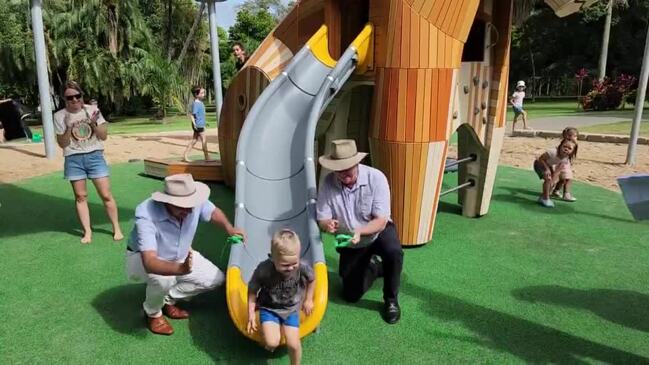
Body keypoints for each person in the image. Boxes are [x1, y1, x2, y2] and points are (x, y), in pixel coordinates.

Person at [126, 173, 246, 335]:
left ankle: (167, 299)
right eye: (182, 206)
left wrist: (229, 228)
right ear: (167, 201)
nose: (189, 210)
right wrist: (180, 269)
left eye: (191, 205)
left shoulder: (193, 201)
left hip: (181, 254)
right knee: (163, 280)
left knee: (216, 279)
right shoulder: (146, 215)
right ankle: (153, 312)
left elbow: (212, 211)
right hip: (143, 259)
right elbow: (149, 261)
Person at [316, 139, 404, 324]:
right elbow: (322, 217)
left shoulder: (376, 177)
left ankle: (391, 300)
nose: (342, 173)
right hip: (350, 239)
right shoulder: (327, 183)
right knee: (350, 294)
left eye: (347, 168)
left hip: (377, 231)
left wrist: (359, 232)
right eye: (338, 169)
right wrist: (327, 225)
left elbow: (380, 221)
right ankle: (374, 267)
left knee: (394, 251)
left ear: (357, 163)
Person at [53, 81, 123, 244]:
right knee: (80, 196)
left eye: (78, 96)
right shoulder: (59, 116)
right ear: (65, 99)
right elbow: (62, 143)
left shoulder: (93, 111)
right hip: (73, 158)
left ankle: (116, 227)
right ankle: (87, 232)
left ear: (82, 96)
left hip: (94, 155)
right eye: (70, 97)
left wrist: (92, 123)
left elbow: (103, 136)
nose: (75, 100)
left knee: (106, 195)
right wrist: (68, 128)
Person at [246, 229, 315, 365]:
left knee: (294, 344)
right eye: (285, 265)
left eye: (294, 263)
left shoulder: (302, 266)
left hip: (291, 308)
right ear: (272, 258)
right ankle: (267, 339)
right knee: (272, 342)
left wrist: (308, 299)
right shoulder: (264, 269)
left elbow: (312, 279)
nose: (290, 268)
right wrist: (251, 314)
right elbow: (252, 291)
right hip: (269, 307)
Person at [533, 138, 578, 208]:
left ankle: (542, 197)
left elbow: (558, 171)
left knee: (552, 181)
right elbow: (540, 159)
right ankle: (545, 199)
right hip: (539, 164)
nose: (566, 149)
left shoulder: (565, 159)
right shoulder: (552, 152)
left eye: (569, 148)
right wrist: (547, 169)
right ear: (560, 146)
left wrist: (553, 180)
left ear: (572, 151)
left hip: (548, 166)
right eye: (564, 146)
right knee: (548, 178)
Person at [183, 86, 209, 162]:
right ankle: (207, 157)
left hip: (200, 124)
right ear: (196, 95)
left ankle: (185, 155)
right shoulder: (197, 104)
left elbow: (200, 114)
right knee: (204, 140)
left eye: (204, 92)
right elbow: (192, 115)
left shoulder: (200, 103)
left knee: (194, 140)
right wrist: (194, 124)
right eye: (202, 93)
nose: (204, 94)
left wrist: (205, 122)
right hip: (199, 125)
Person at [552, 127, 579, 200]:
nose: (574, 138)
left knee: (562, 180)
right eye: (570, 135)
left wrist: (570, 162)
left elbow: (572, 155)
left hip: (566, 163)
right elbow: (561, 153)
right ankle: (566, 194)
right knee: (568, 179)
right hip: (561, 163)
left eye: (575, 136)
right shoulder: (565, 143)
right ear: (565, 136)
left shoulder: (574, 144)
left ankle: (556, 190)